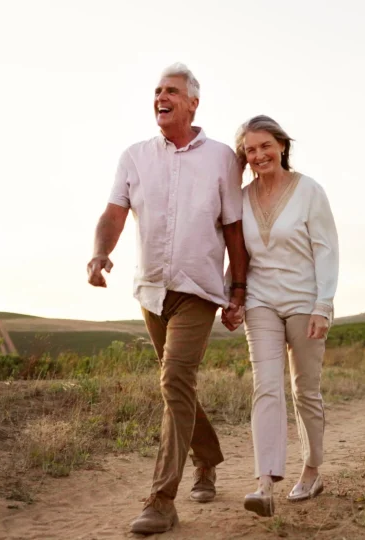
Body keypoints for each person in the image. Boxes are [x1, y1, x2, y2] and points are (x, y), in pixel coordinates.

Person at [87, 63, 248, 535]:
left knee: (175, 380)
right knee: (175, 385)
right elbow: (115, 213)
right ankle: (207, 459)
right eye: (157, 90)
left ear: (193, 103)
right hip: (152, 291)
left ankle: (161, 499)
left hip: (198, 290)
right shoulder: (135, 156)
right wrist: (100, 253)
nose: (162, 96)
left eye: (172, 91)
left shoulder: (221, 158)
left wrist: (237, 291)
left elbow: (234, 229)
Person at [224, 115, 339, 517]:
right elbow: (237, 252)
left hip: (305, 302)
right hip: (261, 301)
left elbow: (326, 249)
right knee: (266, 386)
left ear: (282, 146)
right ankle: (264, 483)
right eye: (250, 150)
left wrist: (323, 305)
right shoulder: (239, 198)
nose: (258, 155)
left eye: (265, 146)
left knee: (305, 389)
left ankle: (311, 470)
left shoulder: (309, 191)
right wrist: (231, 297)